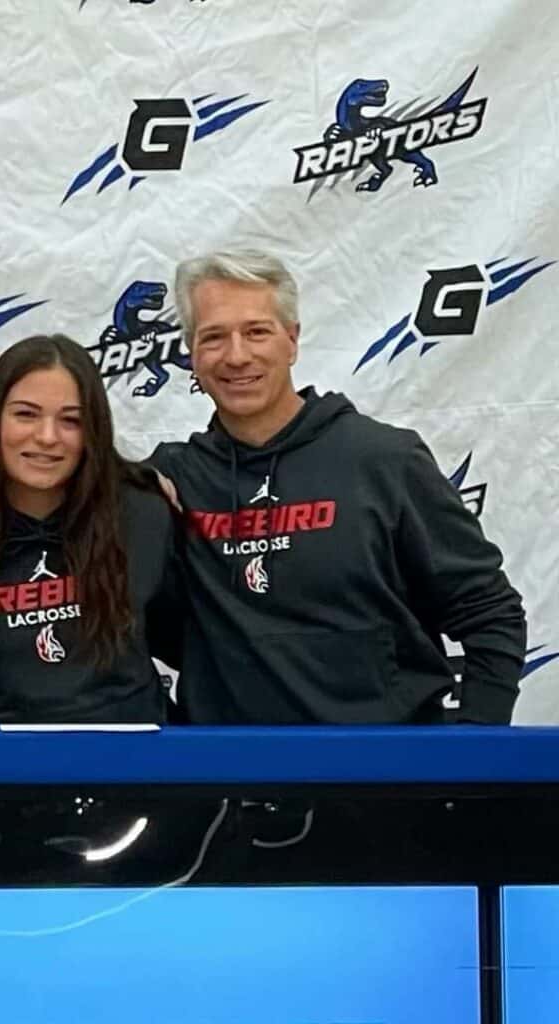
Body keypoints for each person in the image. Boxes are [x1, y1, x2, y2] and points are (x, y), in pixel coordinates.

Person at [149, 250, 527, 725]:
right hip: (230, 777)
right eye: (214, 337)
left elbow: (489, 611)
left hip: (383, 778)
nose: (237, 355)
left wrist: (473, 752)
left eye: (257, 331)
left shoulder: (385, 460)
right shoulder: (171, 479)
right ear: (191, 353)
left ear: (292, 340)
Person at [0, 333, 181, 724]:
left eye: (71, 420)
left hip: (128, 766)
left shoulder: (144, 517)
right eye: (26, 414)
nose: (47, 437)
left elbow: (191, 645)